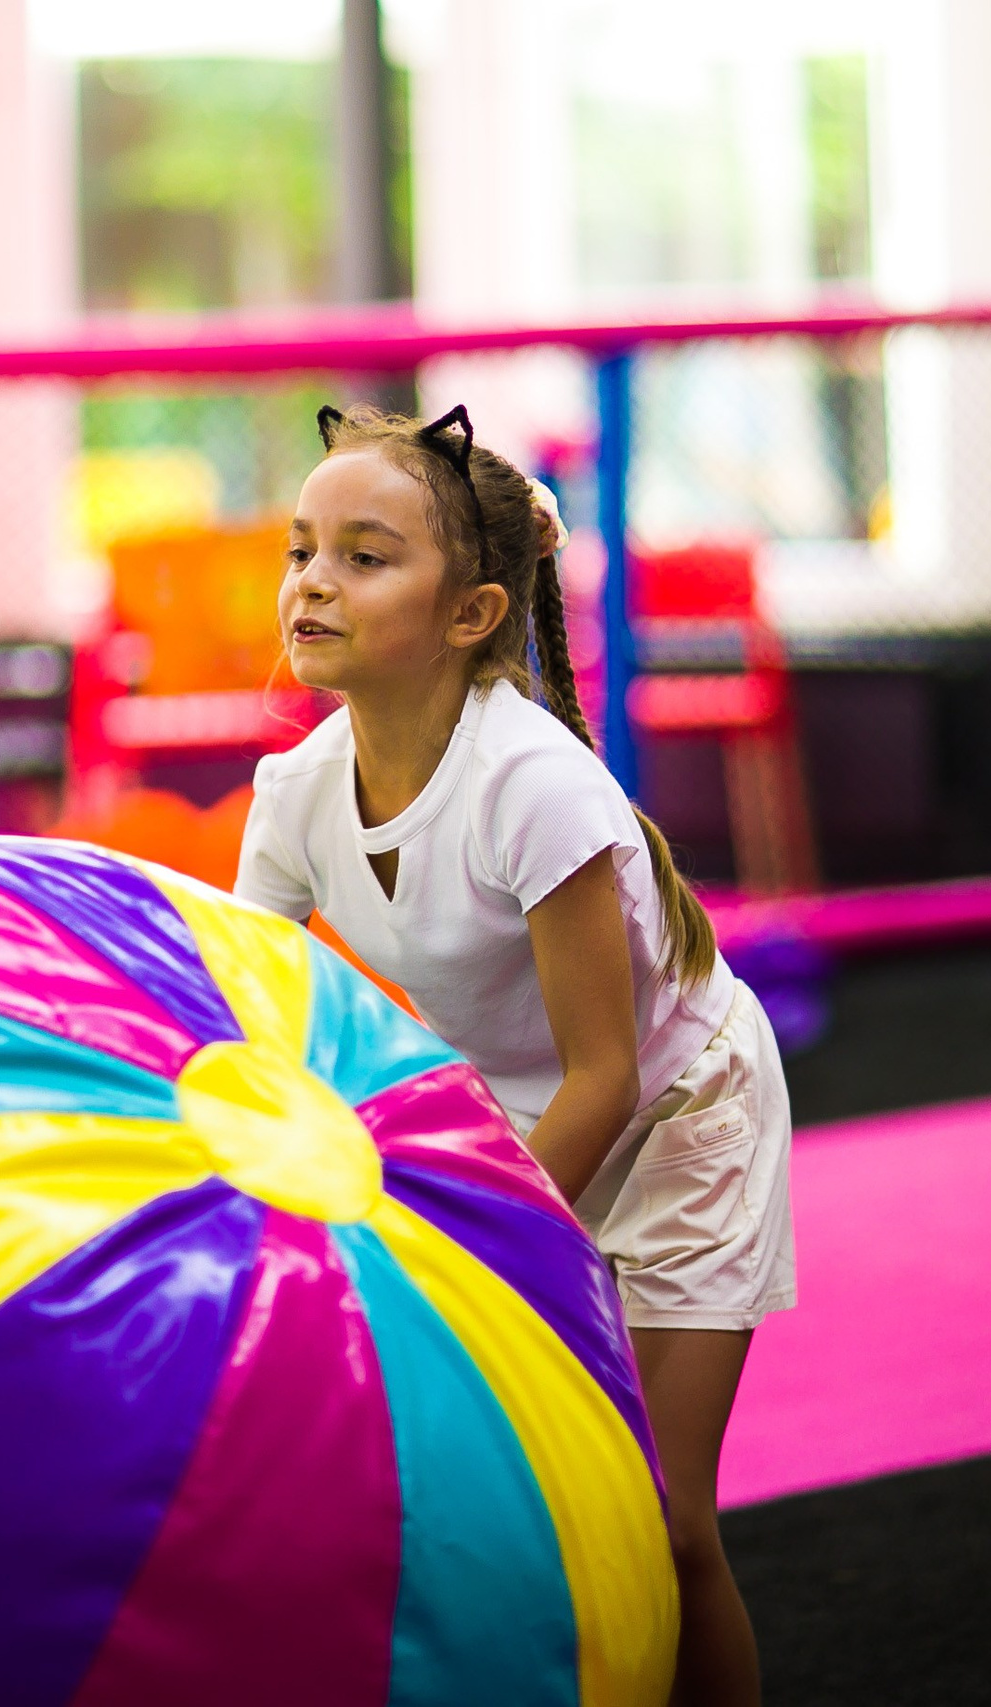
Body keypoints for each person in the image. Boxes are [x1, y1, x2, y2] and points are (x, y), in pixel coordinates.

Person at [235, 405, 790, 1707]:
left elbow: (607, 1071)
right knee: (500, 1510)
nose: (311, 580)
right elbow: (237, 1018)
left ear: (475, 610)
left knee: (662, 1519)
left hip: (679, 1117)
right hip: (520, 1121)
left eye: (365, 557)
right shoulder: (297, 790)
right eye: (302, 548)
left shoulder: (529, 784)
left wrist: (464, 1246)